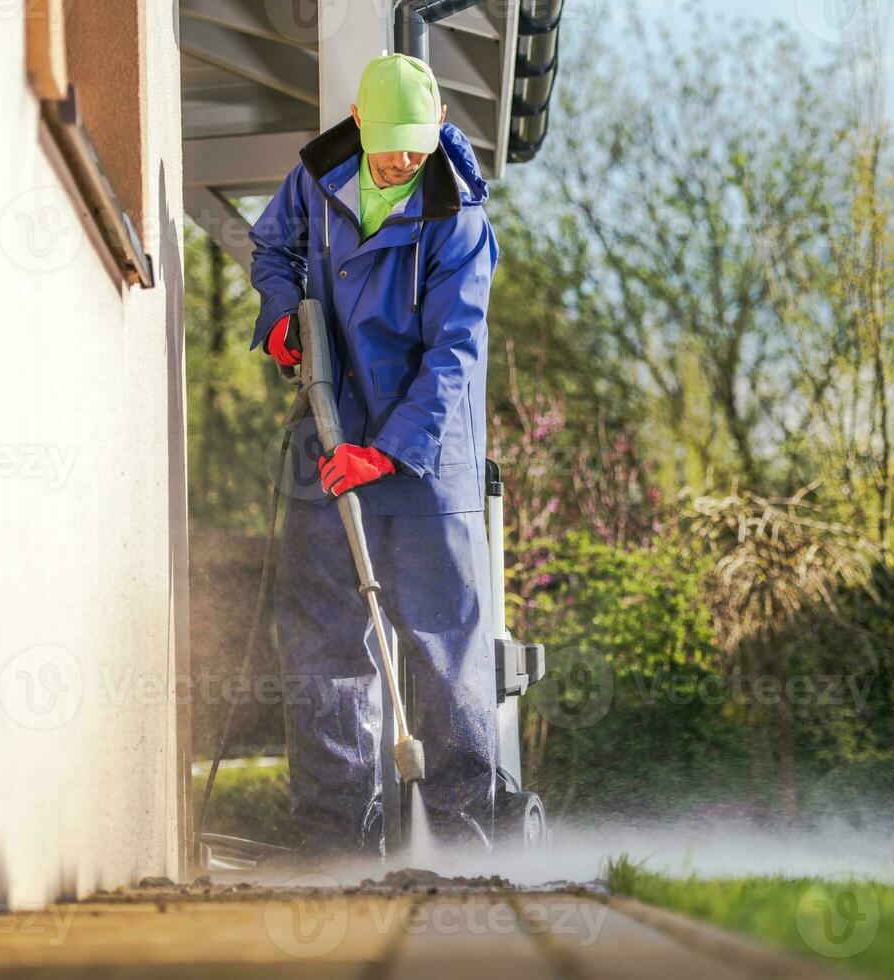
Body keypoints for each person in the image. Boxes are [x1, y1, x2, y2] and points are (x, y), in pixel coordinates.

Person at [247, 53, 498, 856]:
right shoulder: (314, 183)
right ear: (358, 125)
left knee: (439, 648)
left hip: (420, 464)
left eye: (416, 144)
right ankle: (334, 850)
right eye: (390, 144)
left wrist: (387, 451)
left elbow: (454, 352)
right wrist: (282, 316)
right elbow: (271, 252)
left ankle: (464, 852)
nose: (403, 159)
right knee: (324, 651)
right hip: (328, 442)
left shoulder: (454, 217)